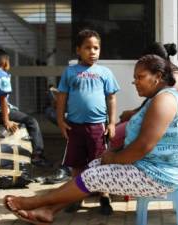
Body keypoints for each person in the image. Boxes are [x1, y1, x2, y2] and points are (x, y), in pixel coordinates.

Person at [3, 54, 178, 225]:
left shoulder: (165, 100)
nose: (135, 82)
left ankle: (35, 202)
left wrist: (113, 158)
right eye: (135, 77)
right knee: (94, 165)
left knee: (93, 176)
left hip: (159, 176)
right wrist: (112, 156)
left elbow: (142, 147)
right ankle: (48, 210)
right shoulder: (159, 97)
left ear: (158, 77)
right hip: (151, 167)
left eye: (140, 77)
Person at [56, 29, 120, 214]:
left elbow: (111, 98)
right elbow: (61, 97)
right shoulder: (70, 72)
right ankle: (77, 198)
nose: (92, 51)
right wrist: (61, 121)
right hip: (74, 126)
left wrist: (112, 123)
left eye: (96, 48)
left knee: (99, 162)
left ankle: (104, 196)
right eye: (87, 48)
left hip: (97, 127)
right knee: (76, 164)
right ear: (78, 50)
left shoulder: (104, 72)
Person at [0, 49, 51, 167]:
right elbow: (2, 99)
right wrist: (6, 120)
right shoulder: (2, 75)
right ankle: (37, 155)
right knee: (31, 121)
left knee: (17, 113)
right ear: (5, 62)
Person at [111, 42, 178, 150]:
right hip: (150, 120)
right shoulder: (164, 78)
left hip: (167, 127)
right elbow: (151, 102)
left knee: (114, 138)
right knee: (113, 132)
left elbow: (160, 103)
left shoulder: (176, 78)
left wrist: (133, 114)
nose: (136, 81)